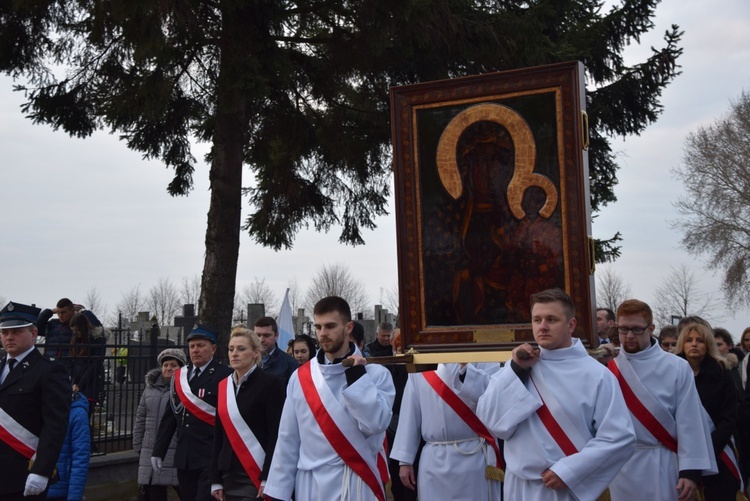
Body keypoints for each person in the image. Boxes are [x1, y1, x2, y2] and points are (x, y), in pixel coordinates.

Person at [476, 289, 636, 500]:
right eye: (537, 319)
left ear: (571, 325)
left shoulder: (597, 375)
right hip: (519, 487)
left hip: (567, 488)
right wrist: (516, 370)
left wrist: (569, 471)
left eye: (551, 319)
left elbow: (619, 438)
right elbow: (490, 420)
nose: (542, 326)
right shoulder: (518, 367)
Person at [264, 296, 396, 501]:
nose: (322, 334)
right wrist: (278, 492)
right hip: (310, 485)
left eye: (330, 326)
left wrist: (357, 377)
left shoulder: (376, 374)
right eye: (318, 327)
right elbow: (288, 439)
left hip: (355, 481)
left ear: (348, 327)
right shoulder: (301, 377)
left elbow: (376, 424)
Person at [607, 300, 716, 501]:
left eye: (637, 330)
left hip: (662, 461)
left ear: (651, 328)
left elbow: (690, 420)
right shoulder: (608, 367)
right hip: (621, 467)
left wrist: (690, 472)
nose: (629, 336)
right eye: (623, 329)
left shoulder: (676, 366)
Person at [392, 363, 502, 501]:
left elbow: (494, 398)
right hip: (433, 459)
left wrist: (466, 369)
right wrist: (405, 460)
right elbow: (410, 412)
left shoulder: (482, 358)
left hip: (474, 457)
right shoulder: (422, 361)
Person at [152, 326, 233, 501]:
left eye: (200, 345)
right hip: (185, 457)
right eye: (192, 346)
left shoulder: (225, 375)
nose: (195, 350)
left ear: (213, 349)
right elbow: (170, 416)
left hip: (210, 455)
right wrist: (159, 450)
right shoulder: (180, 376)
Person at [0, 301, 71, 501]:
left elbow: (55, 424)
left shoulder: (49, 370)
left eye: (16, 331)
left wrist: (42, 471)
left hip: (23, 473)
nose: (9, 337)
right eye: (4, 332)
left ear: (33, 333)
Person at [210, 327, 285, 500]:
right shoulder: (223, 386)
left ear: (255, 353)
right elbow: (218, 437)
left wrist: (268, 476)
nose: (234, 353)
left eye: (241, 349)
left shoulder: (270, 384)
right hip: (228, 473)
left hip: (256, 471)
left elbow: (276, 434)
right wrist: (215, 479)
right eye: (231, 349)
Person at [675, 323, 741, 501]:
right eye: (689, 340)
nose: (694, 344)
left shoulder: (722, 372)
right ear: (682, 344)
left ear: (708, 345)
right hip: (681, 454)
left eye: (700, 340)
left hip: (718, 451)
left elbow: (729, 418)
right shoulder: (672, 373)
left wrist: (706, 449)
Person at [133, 348, 187, 501]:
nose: (168, 368)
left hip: (174, 448)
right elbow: (141, 417)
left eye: (173, 365)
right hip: (149, 448)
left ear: (181, 368)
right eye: (165, 365)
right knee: (153, 491)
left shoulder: (185, 389)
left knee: (184, 489)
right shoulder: (150, 389)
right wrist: (138, 444)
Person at [47, 390, 90, 501]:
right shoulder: (39, 406)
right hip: (33, 487)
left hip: (60, 488)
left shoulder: (78, 414)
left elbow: (80, 458)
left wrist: (74, 496)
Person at [37, 298, 102, 361]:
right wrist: (49, 311)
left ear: (73, 311)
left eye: (63, 312)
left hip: (68, 365)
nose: (60, 315)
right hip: (50, 364)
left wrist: (83, 311)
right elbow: (37, 328)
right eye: (58, 312)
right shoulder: (53, 324)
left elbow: (97, 327)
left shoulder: (78, 325)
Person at [67, 313, 106, 414]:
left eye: (77, 330)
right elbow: (72, 363)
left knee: (84, 415)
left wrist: (79, 384)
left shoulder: (96, 340)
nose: (76, 334)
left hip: (90, 384)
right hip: (77, 384)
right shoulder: (76, 341)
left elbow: (94, 366)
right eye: (73, 332)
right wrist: (74, 382)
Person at [254, 317, 298, 385]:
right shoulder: (247, 360)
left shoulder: (290, 363)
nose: (261, 340)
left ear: (276, 335)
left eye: (266, 335)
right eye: (258, 335)